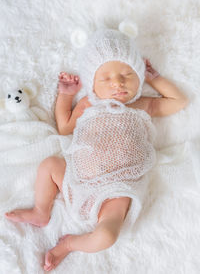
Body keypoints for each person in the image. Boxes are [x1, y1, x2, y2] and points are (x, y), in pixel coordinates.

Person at [5, 29, 189, 272]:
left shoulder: (142, 104)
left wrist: (155, 78)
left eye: (127, 74)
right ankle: (41, 210)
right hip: (78, 182)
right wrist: (65, 96)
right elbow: (64, 128)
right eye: (106, 78)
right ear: (92, 84)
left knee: (106, 237)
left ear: (140, 77)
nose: (118, 83)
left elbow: (179, 101)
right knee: (49, 165)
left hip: (117, 190)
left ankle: (69, 244)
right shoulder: (89, 104)